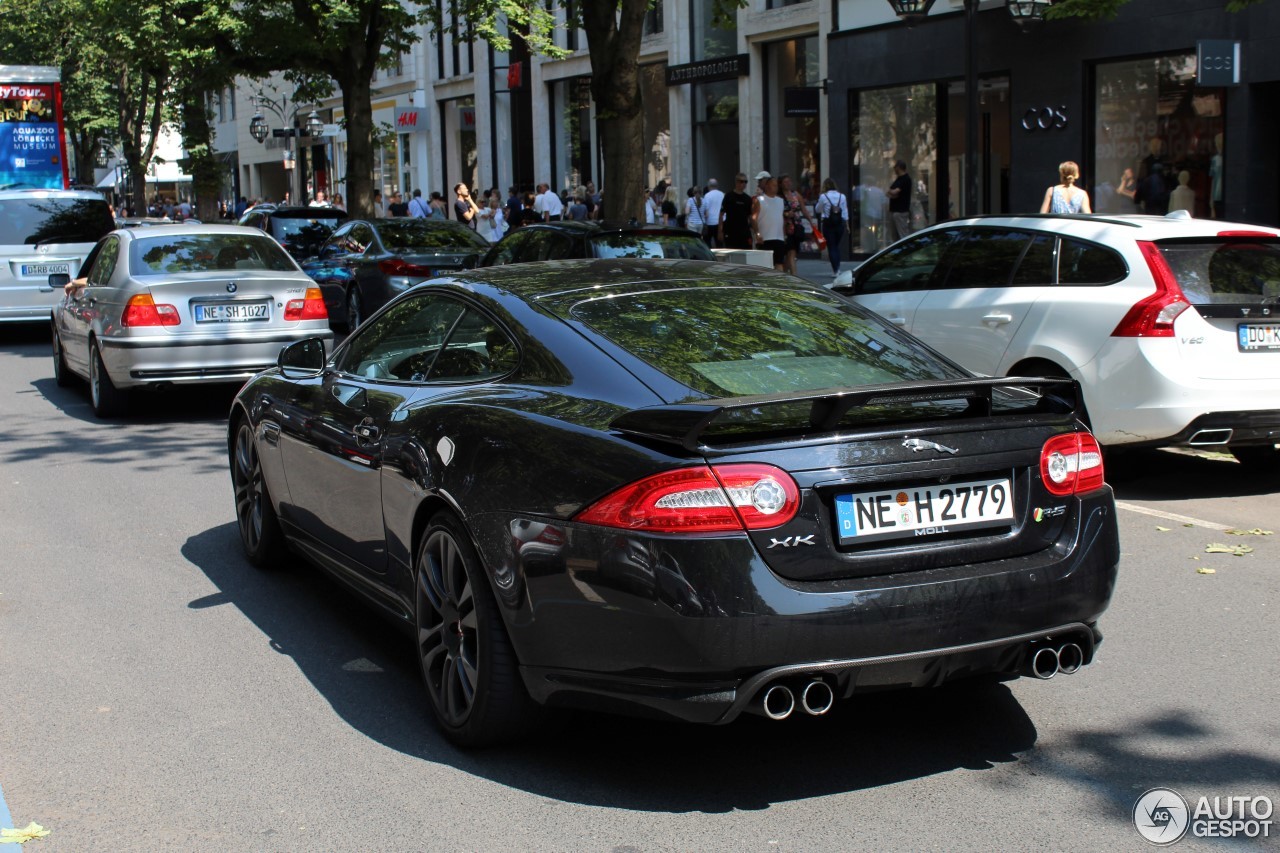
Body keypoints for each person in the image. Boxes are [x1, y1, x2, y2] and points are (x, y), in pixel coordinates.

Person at [750, 171, 786, 272]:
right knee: (765, 266)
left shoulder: (780, 201)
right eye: (773, 185)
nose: (776, 187)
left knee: (779, 263)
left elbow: (781, 219)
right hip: (765, 238)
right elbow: (753, 218)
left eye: (776, 185)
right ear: (767, 186)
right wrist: (757, 233)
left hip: (779, 238)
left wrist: (784, 235)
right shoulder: (759, 200)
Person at [778, 175, 814, 276]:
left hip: (796, 226)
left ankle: (784, 274)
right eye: (785, 182)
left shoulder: (795, 194)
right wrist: (786, 214)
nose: (788, 184)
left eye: (789, 181)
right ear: (781, 184)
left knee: (792, 252)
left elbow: (803, 209)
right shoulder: (778, 196)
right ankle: (794, 275)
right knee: (790, 252)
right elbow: (775, 211)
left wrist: (811, 221)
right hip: (785, 227)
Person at [815, 178, 849, 276]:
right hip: (840, 224)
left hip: (828, 224)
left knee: (831, 246)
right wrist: (847, 224)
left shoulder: (823, 196)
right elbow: (845, 211)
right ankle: (837, 268)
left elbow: (818, 209)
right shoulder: (842, 196)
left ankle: (836, 269)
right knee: (836, 246)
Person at [719, 172, 753, 249]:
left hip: (744, 232)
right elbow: (721, 214)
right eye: (741, 181)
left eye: (745, 182)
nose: (744, 183)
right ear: (736, 182)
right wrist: (720, 231)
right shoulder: (728, 196)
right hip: (730, 231)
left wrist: (755, 231)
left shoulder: (748, 199)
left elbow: (750, 216)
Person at [887, 160, 913, 242]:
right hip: (894, 210)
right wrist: (892, 193)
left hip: (901, 211)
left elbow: (894, 192)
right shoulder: (898, 179)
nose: (894, 169)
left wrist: (892, 192)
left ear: (899, 167)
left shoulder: (906, 179)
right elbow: (889, 192)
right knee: (894, 236)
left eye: (895, 167)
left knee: (903, 235)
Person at [700, 179, 723, 246]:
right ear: (717, 186)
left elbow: (705, 208)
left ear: (708, 186)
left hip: (709, 222)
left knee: (707, 243)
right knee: (719, 243)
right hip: (719, 222)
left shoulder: (707, 195)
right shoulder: (722, 194)